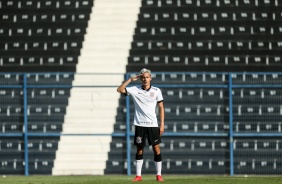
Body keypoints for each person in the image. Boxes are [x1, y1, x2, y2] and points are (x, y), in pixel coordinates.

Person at [117, 68, 165, 182]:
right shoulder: (135, 89)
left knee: (156, 148)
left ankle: (159, 175)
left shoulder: (157, 91)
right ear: (140, 79)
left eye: (147, 77)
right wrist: (130, 79)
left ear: (150, 78)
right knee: (139, 149)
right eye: (143, 77)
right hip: (139, 124)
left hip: (153, 125)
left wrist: (162, 124)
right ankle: (138, 176)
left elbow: (161, 107)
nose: (145, 79)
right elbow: (119, 89)